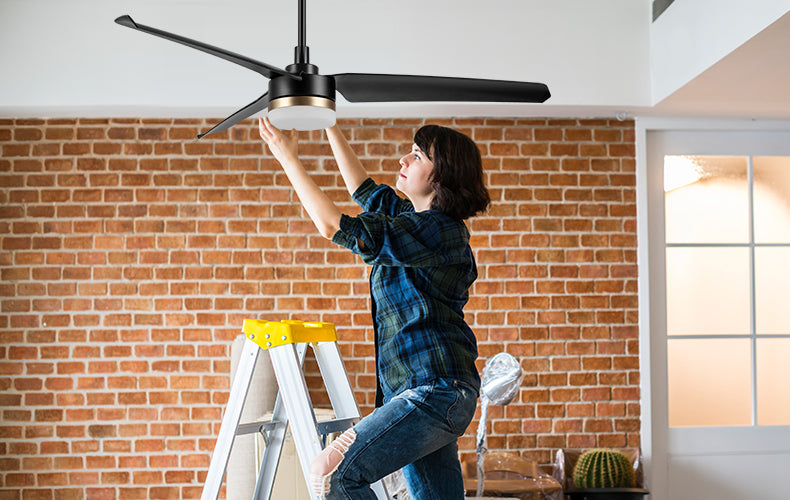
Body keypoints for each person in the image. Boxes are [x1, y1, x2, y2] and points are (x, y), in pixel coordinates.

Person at [258, 117, 491, 499]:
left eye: (416, 155)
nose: (403, 159)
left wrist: (288, 159)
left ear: (441, 177)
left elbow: (332, 224)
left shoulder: (439, 231)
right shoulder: (410, 220)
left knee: (331, 472)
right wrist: (328, 122)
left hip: (433, 391)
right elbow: (362, 189)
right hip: (428, 393)